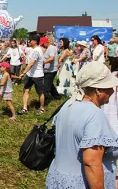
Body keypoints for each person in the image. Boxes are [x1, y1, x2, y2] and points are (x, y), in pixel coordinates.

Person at [46, 61, 118, 189]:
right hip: (80, 183)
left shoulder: (68, 104)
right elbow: (91, 162)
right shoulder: (94, 114)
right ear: (98, 90)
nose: (112, 91)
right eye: (109, 87)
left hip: (59, 179)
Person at [19, 35, 45, 115]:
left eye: (30, 40)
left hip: (37, 75)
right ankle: (25, 108)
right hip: (30, 74)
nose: (29, 42)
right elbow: (30, 60)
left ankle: (42, 108)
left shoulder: (37, 50)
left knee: (40, 92)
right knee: (26, 90)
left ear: (35, 41)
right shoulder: (34, 50)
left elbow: (31, 63)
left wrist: (23, 72)